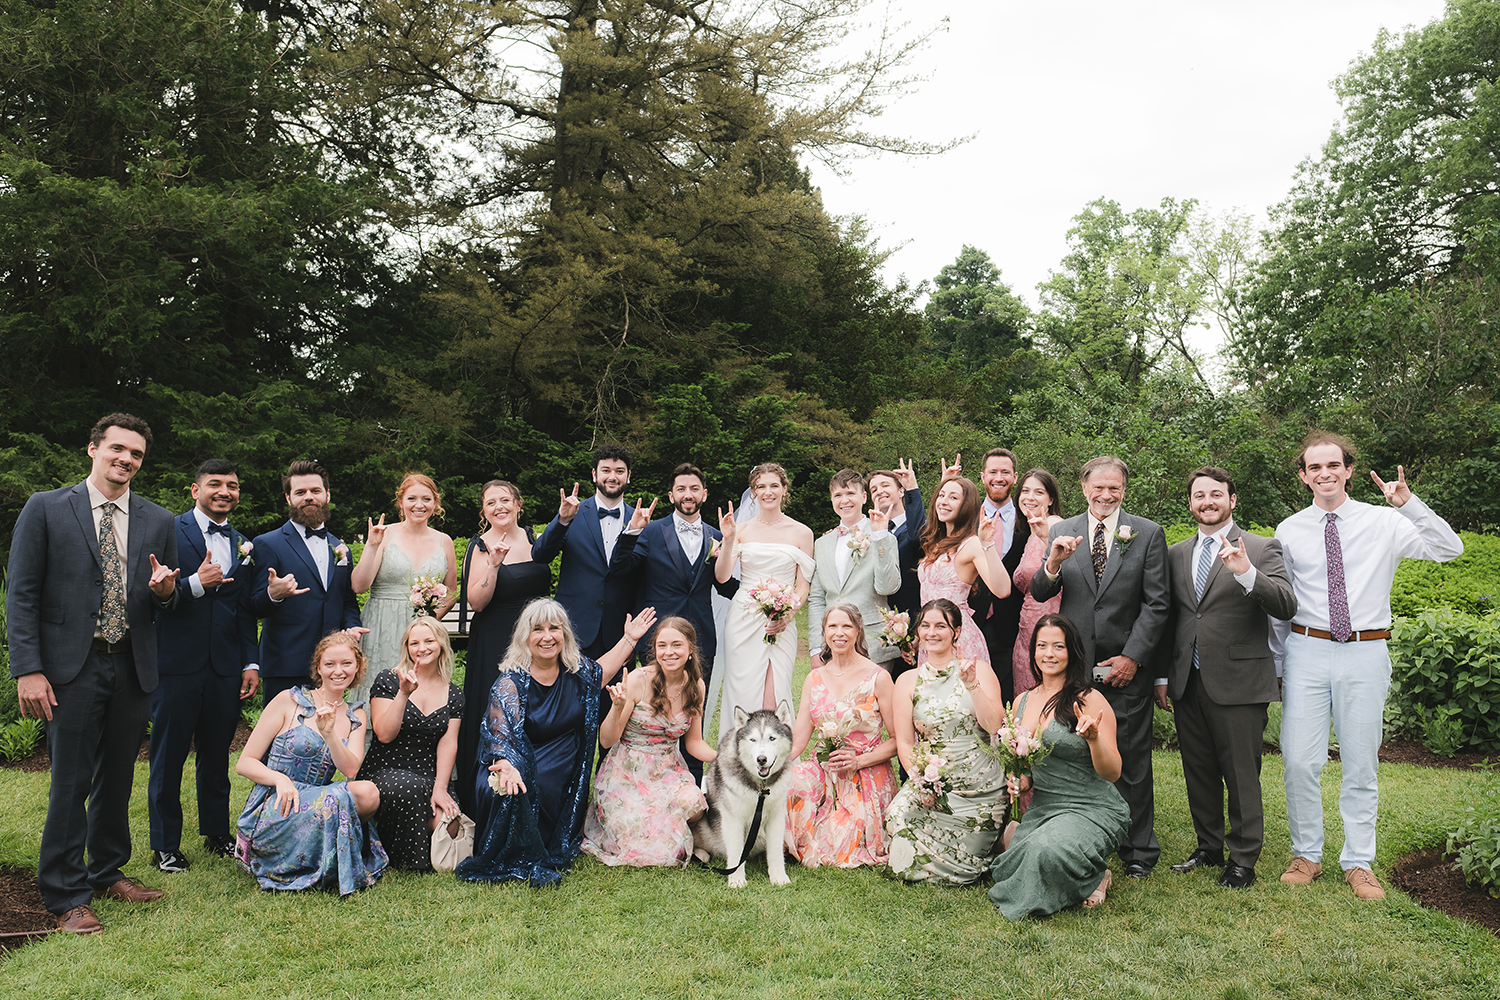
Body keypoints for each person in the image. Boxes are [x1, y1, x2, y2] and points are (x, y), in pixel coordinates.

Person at [7, 413, 180, 935]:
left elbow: (166, 600)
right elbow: (22, 593)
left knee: (118, 776)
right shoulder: (46, 508)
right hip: (70, 668)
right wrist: (29, 669)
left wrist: (165, 593)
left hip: (131, 663)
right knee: (71, 780)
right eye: (117, 449)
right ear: (93, 449)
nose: (126, 459)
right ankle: (66, 894)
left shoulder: (159, 520)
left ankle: (107, 871)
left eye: (136, 454)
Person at [1273, 433, 1463, 900]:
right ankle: (1307, 854)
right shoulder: (1289, 529)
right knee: (1299, 760)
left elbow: (1449, 549)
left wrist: (1409, 505)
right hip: (1307, 649)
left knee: (1361, 762)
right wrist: (1277, 663)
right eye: (1315, 467)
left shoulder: (1385, 521)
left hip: (1365, 650)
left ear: (1349, 470)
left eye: (1333, 465)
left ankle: (1359, 861)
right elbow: (1281, 602)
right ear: (1304, 477)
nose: (1325, 474)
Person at [1155, 467, 1298, 890]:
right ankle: (1208, 846)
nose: (1207, 502)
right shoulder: (1176, 553)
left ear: (1232, 500)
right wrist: (1163, 675)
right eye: (1199, 495)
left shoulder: (1261, 547)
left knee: (1240, 773)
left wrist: (1246, 572)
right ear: (1190, 503)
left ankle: (1243, 858)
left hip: (1240, 680)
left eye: (1216, 494)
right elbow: (1172, 617)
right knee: (1197, 769)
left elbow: (1286, 604)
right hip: (1188, 678)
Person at [1028, 455, 1169, 879]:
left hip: (1125, 669)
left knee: (1132, 759)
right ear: (1084, 487)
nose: (1106, 495)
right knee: (1079, 756)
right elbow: (1040, 591)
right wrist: (1053, 562)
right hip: (1075, 670)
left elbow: (1157, 603)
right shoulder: (1063, 531)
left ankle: (1138, 849)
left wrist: (1132, 657)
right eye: (1099, 487)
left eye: (1114, 488)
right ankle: (1089, 834)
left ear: (1124, 489)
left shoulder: (1147, 533)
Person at [456, 600, 655, 886]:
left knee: (544, 784)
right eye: (537, 629)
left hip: (561, 760)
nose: (547, 636)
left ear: (565, 634)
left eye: (554, 628)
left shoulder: (577, 671)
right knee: (505, 788)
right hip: (517, 757)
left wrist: (629, 639)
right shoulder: (511, 681)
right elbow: (499, 733)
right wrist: (506, 765)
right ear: (525, 637)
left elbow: (603, 672)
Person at [149, 459, 261, 874]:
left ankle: (216, 833)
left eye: (232, 485)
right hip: (176, 664)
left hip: (225, 666)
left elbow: (243, 610)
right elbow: (153, 596)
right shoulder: (167, 532)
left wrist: (250, 661)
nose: (224, 492)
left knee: (216, 756)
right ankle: (165, 845)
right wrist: (195, 584)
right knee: (168, 757)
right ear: (195, 490)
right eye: (215, 484)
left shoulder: (244, 544)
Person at [988, 615, 1130, 918]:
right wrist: (1023, 780)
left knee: (1042, 853)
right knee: (1013, 862)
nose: (1049, 654)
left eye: (1058, 646)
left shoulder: (1090, 700)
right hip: (1045, 808)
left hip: (1092, 807)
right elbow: (1027, 765)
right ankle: (1035, 843)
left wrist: (1094, 740)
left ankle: (1095, 875)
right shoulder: (1022, 701)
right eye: (1042, 646)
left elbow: (1113, 772)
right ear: (1033, 651)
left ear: (1072, 652)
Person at [608, 463, 736, 781]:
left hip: (701, 638)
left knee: (692, 714)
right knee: (654, 714)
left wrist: (765, 593)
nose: (687, 494)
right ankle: (647, 781)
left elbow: (725, 585)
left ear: (704, 494)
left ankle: (692, 785)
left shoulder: (717, 536)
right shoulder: (652, 531)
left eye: (694, 489)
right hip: (658, 639)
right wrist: (631, 531)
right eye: (681, 489)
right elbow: (621, 569)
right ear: (671, 495)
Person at [234, 632, 387, 895]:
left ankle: (318, 857)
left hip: (317, 802)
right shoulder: (289, 701)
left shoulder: (356, 715)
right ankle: (283, 854)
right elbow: (245, 763)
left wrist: (329, 734)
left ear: (357, 667)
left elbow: (351, 769)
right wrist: (280, 779)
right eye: (330, 664)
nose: (338, 671)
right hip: (276, 803)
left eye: (346, 663)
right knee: (337, 800)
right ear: (318, 668)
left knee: (368, 793)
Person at [885, 599, 1008, 885]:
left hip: (980, 788)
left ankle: (982, 851)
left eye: (941, 626)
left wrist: (971, 684)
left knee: (966, 870)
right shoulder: (907, 681)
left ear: (957, 632)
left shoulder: (979, 670)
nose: (932, 633)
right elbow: (906, 743)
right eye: (925, 625)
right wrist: (921, 782)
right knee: (896, 817)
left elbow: (994, 726)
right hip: (934, 783)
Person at [582, 617, 716, 866]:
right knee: (643, 839)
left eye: (677, 645)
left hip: (667, 770)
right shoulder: (638, 679)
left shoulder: (696, 685)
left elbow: (694, 743)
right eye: (662, 645)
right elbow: (607, 740)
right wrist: (617, 707)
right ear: (654, 650)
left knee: (695, 804)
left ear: (690, 649)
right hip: (627, 772)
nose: (669, 652)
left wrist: (726, 759)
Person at [456, 480, 551, 813]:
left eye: (505, 500)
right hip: (496, 640)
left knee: (534, 713)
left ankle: (536, 793)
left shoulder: (536, 539)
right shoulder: (480, 546)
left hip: (537, 641)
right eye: (491, 502)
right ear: (484, 511)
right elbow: (476, 602)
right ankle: (487, 798)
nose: (499, 507)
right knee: (496, 714)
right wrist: (494, 565)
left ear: (518, 504)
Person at [784, 604, 899, 867]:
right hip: (823, 769)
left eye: (847, 626)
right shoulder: (814, 678)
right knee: (788, 783)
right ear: (824, 632)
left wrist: (859, 761)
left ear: (858, 631)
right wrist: (770, 767)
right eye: (832, 626)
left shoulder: (879, 677)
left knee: (836, 844)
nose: (839, 633)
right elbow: (799, 738)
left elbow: (897, 740)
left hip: (865, 773)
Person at [250, 460, 365, 707]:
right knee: (284, 730)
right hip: (285, 664)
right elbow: (253, 606)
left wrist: (352, 626)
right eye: (300, 492)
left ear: (327, 495)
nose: (309, 497)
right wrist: (273, 594)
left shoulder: (340, 548)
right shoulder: (267, 543)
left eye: (315, 491)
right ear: (288, 498)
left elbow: (347, 601)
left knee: (327, 729)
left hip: (331, 666)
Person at [713, 463, 816, 733]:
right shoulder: (741, 529)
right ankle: (738, 750)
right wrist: (728, 539)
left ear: (784, 489)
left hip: (781, 621)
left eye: (774, 486)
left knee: (775, 693)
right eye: (761, 487)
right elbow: (722, 577)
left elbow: (802, 586)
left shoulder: (803, 533)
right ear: (754, 492)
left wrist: (786, 616)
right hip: (743, 619)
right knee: (742, 691)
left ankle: (773, 753)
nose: (768, 492)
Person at [364, 617, 464, 871]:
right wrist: (403, 693)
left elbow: (448, 743)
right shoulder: (389, 679)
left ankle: (393, 841)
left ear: (441, 644)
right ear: (406, 647)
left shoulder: (454, 693)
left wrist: (440, 787)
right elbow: (384, 734)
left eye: (429, 641)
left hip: (427, 772)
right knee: (409, 788)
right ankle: (403, 862)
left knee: (449, 822)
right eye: (414, 643)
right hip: (386, 768)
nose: (422, 648)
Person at [351, 473, 458, 707]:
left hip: (422, 633)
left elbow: (451, 592)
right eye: (412, 498)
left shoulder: (445, 541)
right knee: (379, 690)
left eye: (426, 499)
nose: (419, 505)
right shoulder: (383, 535)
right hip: (382, 625)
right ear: (401, 502)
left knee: (418, 690)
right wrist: (371, 546)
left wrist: (430, 621)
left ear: (435, 503)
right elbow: (359, 586)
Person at [531, 445, 637, 658]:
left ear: (628, 476)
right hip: (573, 627)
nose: (612, 477)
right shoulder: (572, 513)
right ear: (594, 474)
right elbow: (540, 555)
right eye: (606, 470)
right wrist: (562, 520)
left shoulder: (640, 521)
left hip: (619, 633)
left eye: (619, 471)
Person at [807, 470, 901, 673]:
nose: (844, 500)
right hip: (833, 646)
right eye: (838, 495)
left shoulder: (883, 536)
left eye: (850, 493)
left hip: (873, 643)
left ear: (864, 497)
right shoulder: (822, 543)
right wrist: (816, 648)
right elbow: (816, 598)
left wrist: (879, 537)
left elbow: (887, 587)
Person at [915, 475, 1012, 669]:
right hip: (930, 637)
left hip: (957, 638)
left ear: (966, 505)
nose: (944, 501)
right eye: (941, 495)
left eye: (953, 497)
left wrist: (987, 543)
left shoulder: (971, 544)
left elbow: (1002, 590)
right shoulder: (936, 543)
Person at [969, 448, 1031, 705]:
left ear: (1015, 477)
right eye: (992, 472)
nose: (999, 477)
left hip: (1011, 622)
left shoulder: (1028, 518)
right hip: (970, 618)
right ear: (982, 477)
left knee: (1006, 694)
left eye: (1005, 472)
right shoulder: (966, 516)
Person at [1009, 469, 1064, 700]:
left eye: (1038, 492)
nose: (1030, 497)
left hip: (1050, 628)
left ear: (1050, 499)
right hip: (1026, 632)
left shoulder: (1054, 526)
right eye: (1025, 491)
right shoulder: (1031, 531)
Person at [867, 460, 928, 633]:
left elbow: (917, 538)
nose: (879, 491)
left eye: (885, 485)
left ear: (901, 491)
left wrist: (912, 489)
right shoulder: (868, 532)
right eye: (874, 490)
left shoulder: (916, 526)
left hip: (913, 618)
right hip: (878, 622)